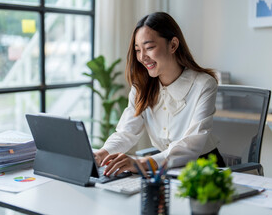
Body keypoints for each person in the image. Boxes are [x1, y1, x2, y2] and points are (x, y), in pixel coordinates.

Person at [94, 12, 225, 177]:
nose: (142, 57)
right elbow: (127, 132)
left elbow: (193, 144)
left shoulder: (204, 84)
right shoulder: (141, 87)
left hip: (204, 169)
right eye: (137, 50)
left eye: (149, 48)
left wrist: (143, 162)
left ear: (173, 45)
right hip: (163, 169)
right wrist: (102, 153)